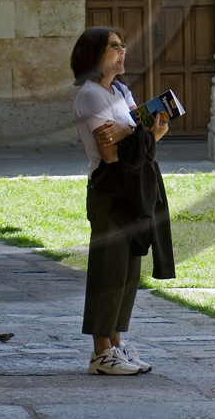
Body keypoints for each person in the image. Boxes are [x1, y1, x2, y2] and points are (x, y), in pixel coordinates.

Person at [71, 26, 170, 376]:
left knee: (129, 271)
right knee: (109, 269)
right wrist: (140, 134)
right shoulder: (90, 96)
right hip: (110, 187)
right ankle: (100, 352)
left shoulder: (121, 90)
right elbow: (110, 154)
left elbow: (143, 139)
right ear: (94, 54)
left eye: (122, 45)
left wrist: (136, 132)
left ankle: (116, 344)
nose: (122, 51)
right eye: (114, 47)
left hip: (135, 183)